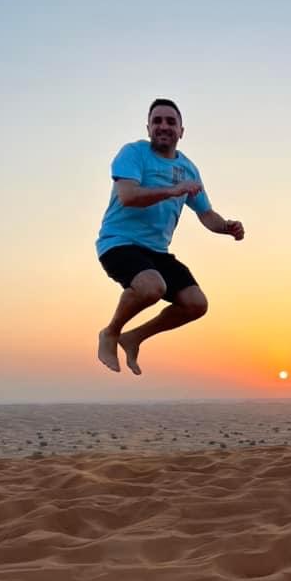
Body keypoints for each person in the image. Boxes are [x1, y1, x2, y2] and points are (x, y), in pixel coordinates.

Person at [96, 98, 244, 375]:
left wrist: (227, 227)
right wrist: (172, 191)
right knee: (152, 287)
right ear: (148, 128)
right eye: (157, 121)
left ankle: (133, 338)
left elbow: (206, 213)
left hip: (157, 252)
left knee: (196, 304)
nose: (163, 126)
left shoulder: (188, 169)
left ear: (181, 131)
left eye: (170, 122)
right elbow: (128, 196)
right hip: (119, 242)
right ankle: (111, 332)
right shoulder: (133, 153)